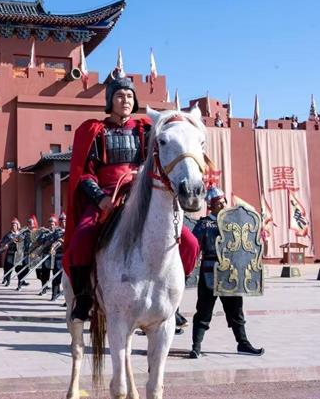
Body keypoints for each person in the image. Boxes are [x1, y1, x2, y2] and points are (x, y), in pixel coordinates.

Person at [63, 75, 199, 322]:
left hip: (143, 194)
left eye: (129, 96)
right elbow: (85, 175)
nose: (125, 100)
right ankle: (83, 299)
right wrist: (100, 198)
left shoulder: (146, 130)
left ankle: (173, 301)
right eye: (119, 95)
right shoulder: (96, 131)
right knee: (82, 238)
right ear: (110, 100)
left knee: (190, 242)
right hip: (108, 196)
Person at [188, 186, 265, 358]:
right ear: (211, 206)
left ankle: (243, 344)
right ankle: (196, 347)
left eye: (224, 202)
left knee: (236, 311)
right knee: (203, 311)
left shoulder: (235, 222)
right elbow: (194, 246)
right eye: (219, 203)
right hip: (210, 272)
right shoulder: (204, 224)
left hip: (232, 272)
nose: (223, 205)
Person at [0, 218, 22, 287]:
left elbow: (23, 242)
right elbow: (3, 242)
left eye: (15, 225)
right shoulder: (9, 235)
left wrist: (18, 242)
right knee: (8, 267)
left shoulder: (21, 234)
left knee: (19, 269)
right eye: (12, 225)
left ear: (17, 226)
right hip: (10, 253)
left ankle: (19, 284)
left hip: (18, 254)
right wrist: (4, 245)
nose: (13, 226)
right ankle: (8, 281)